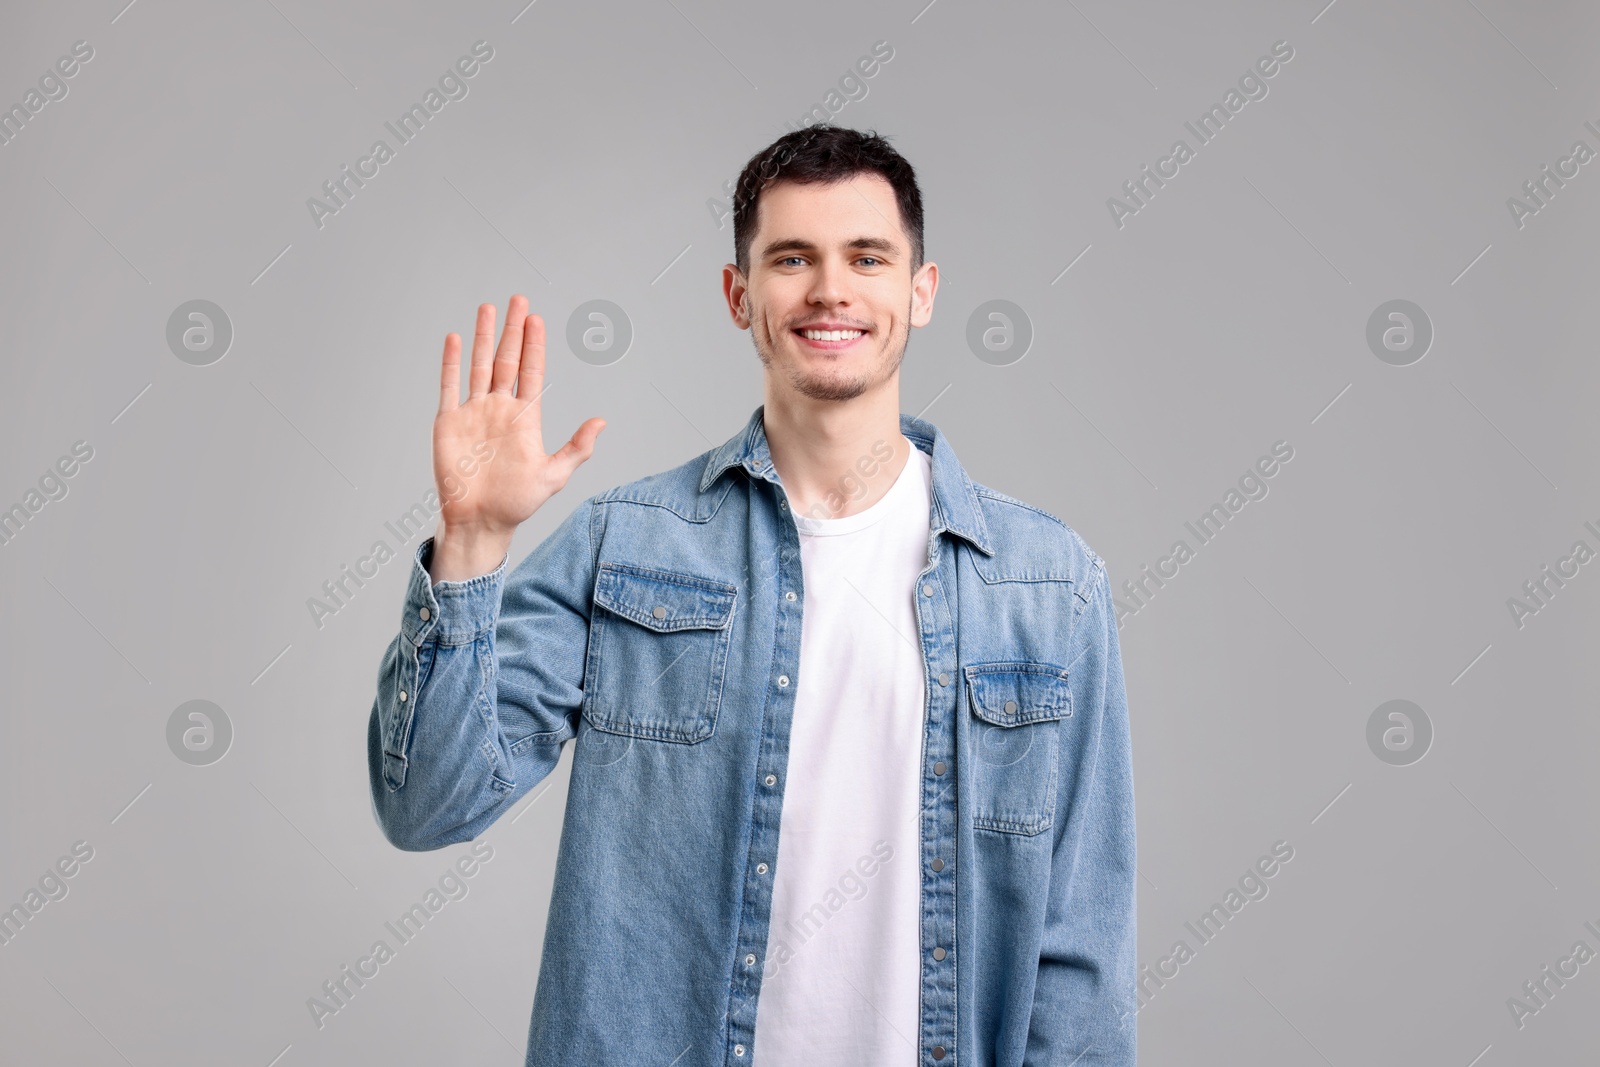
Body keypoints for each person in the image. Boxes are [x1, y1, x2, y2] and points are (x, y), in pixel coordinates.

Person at [367, 125, 1136, 1066]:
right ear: (740, 296)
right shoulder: (628, 545)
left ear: (920, 291)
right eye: (791, 258)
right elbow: (429, 806)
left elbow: (1079, 957)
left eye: (867, 256)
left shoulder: (1049, 587)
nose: (830, 289)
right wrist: (475, 543)